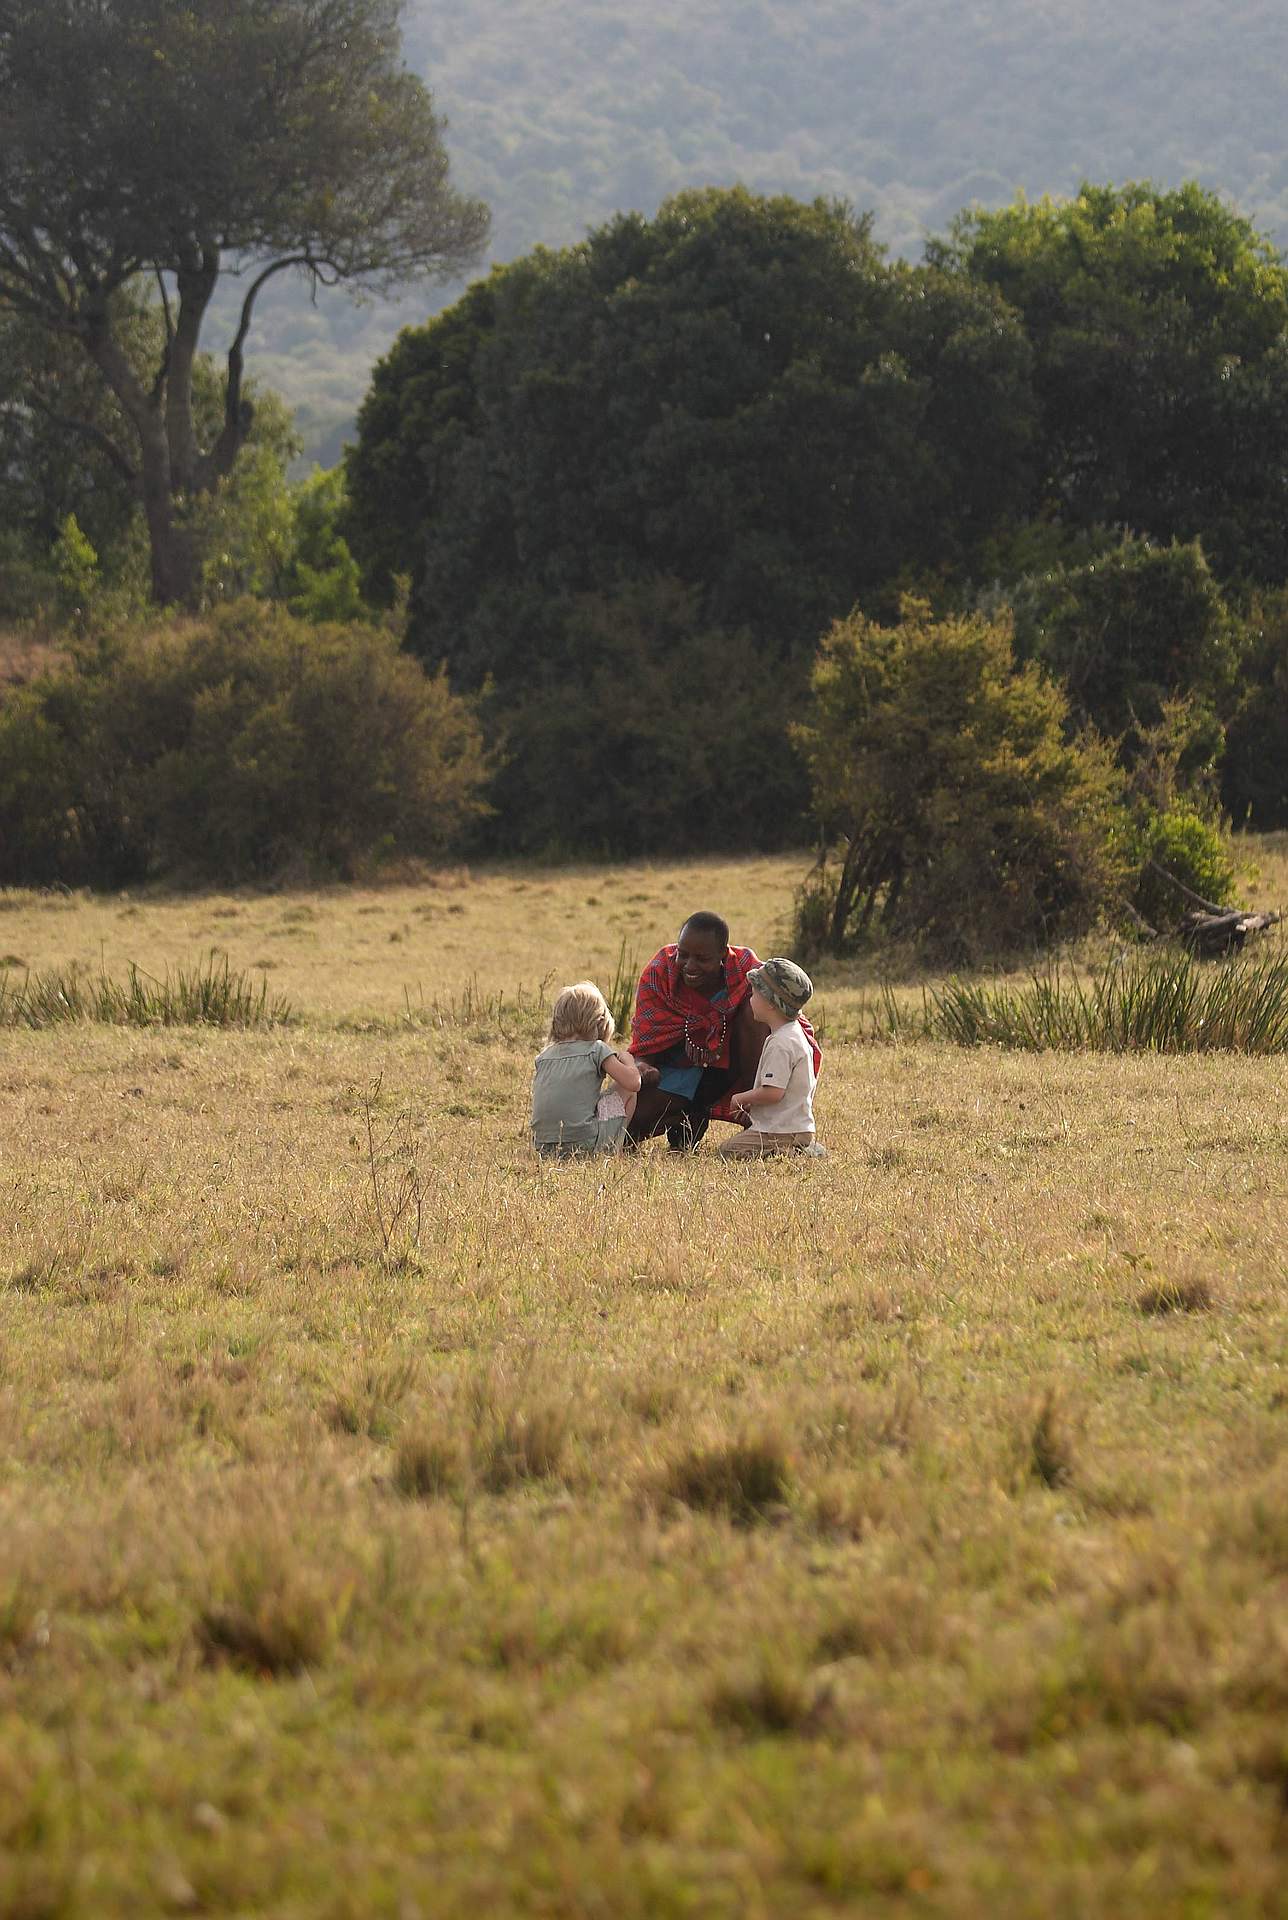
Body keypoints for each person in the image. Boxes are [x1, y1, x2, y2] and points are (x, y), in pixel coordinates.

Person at [628, 913, 818, 1150]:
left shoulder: (748, 972)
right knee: (629, 1124)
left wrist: (751, 1095)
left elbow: (785, 1017)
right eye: (683, 955)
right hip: (678, 1072)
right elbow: (644, 1049)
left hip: (738, 1071)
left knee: (755, 1010)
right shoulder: (660, 974)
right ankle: (686, 1119)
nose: (689, 966)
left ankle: (762, 1121)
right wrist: (642, 1071)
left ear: (722, 955)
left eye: (702, 958)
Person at [717, 957, 822, 1159]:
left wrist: (741, 1098)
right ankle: (799, 1148)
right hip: (795, 1126)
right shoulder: (793, 1033)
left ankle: (789, 1152)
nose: (750, 1000)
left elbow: (774, 1093)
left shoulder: (781, 1043)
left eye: (754, 994)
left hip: (780, 1130)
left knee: (727, 1151)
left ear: (771, 1003)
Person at [531, 981, 642, 1159]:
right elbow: (633, 1083)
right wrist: (629, 1062)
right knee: (625, 1090)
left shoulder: (544, 1057)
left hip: (543, 1148)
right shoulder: (596, 1049)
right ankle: (614, 1150)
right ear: (599, 1020)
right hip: (583, 1144)